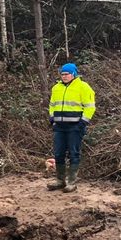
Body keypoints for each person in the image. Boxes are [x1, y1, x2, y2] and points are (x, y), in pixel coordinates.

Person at [47, 62, 95, 192]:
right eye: (62, 74)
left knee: (74, 153)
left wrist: (82, 123)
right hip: (59, 127)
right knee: (58, 153)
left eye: (66, 74)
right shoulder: (56, 88)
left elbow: (90, 107)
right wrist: (52, 119)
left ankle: (72, 181)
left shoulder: (83, 87)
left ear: (73, 74)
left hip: (75, 127)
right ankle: (60, 180)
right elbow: (52, 105)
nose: (64, 76)